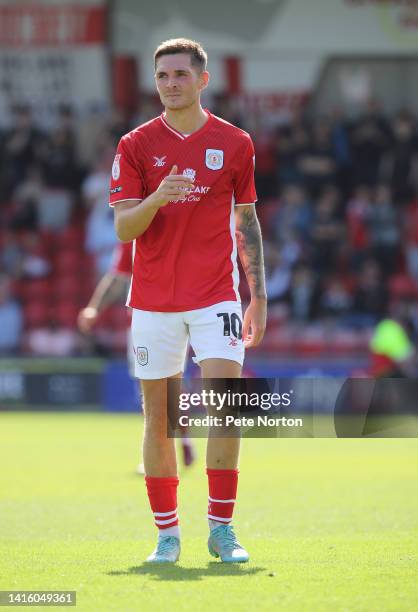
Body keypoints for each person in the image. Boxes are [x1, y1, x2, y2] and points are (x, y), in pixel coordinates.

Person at [109, 38, 267, 564]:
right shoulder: (134, 144)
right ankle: (167, 536)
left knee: (227, 407)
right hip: (153, 301)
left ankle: (221, 529)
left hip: (215, 296)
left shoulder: (236, 142)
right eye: (162, 75)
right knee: (159, 419)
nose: (170, 83)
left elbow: (247, 222)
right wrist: (158, 197)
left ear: (203, 79)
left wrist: (258, 295)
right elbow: (123, 225)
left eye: (180, 74)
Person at [77, 241, 196, 472]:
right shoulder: (133, 233)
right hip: (158, 320)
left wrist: (94, 308)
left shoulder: (139, 230)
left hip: (161, 319)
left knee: (157, 390)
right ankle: (180, 441)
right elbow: (118, 275)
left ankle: (165, 450)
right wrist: (94, 307)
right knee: (168, 388)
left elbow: (116, 278)